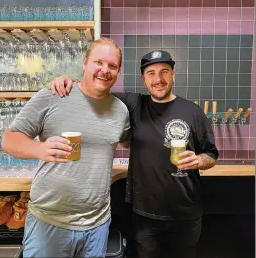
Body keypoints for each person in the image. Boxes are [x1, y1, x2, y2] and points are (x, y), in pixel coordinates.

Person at [49, 49, 219, 258]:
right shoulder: (133, 104)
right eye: (151, 73)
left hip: (186, 213)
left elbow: (211, 155)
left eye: (164, 71)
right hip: (144, 215)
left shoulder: (193, 112)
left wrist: (199, 160)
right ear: (143, 79)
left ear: (173, 74)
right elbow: (94, 90)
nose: (158, 79)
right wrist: (69, 79)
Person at [1, 38, 130, 258]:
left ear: (118, 71)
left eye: (112, 66)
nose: (105, 70)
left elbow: (128, 141)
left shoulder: (120, 110)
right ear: (85, 63)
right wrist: (39, 149)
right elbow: (9, 140)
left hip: (97, 225)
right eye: (98, 62)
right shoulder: (54, 95)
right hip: (50, 221)